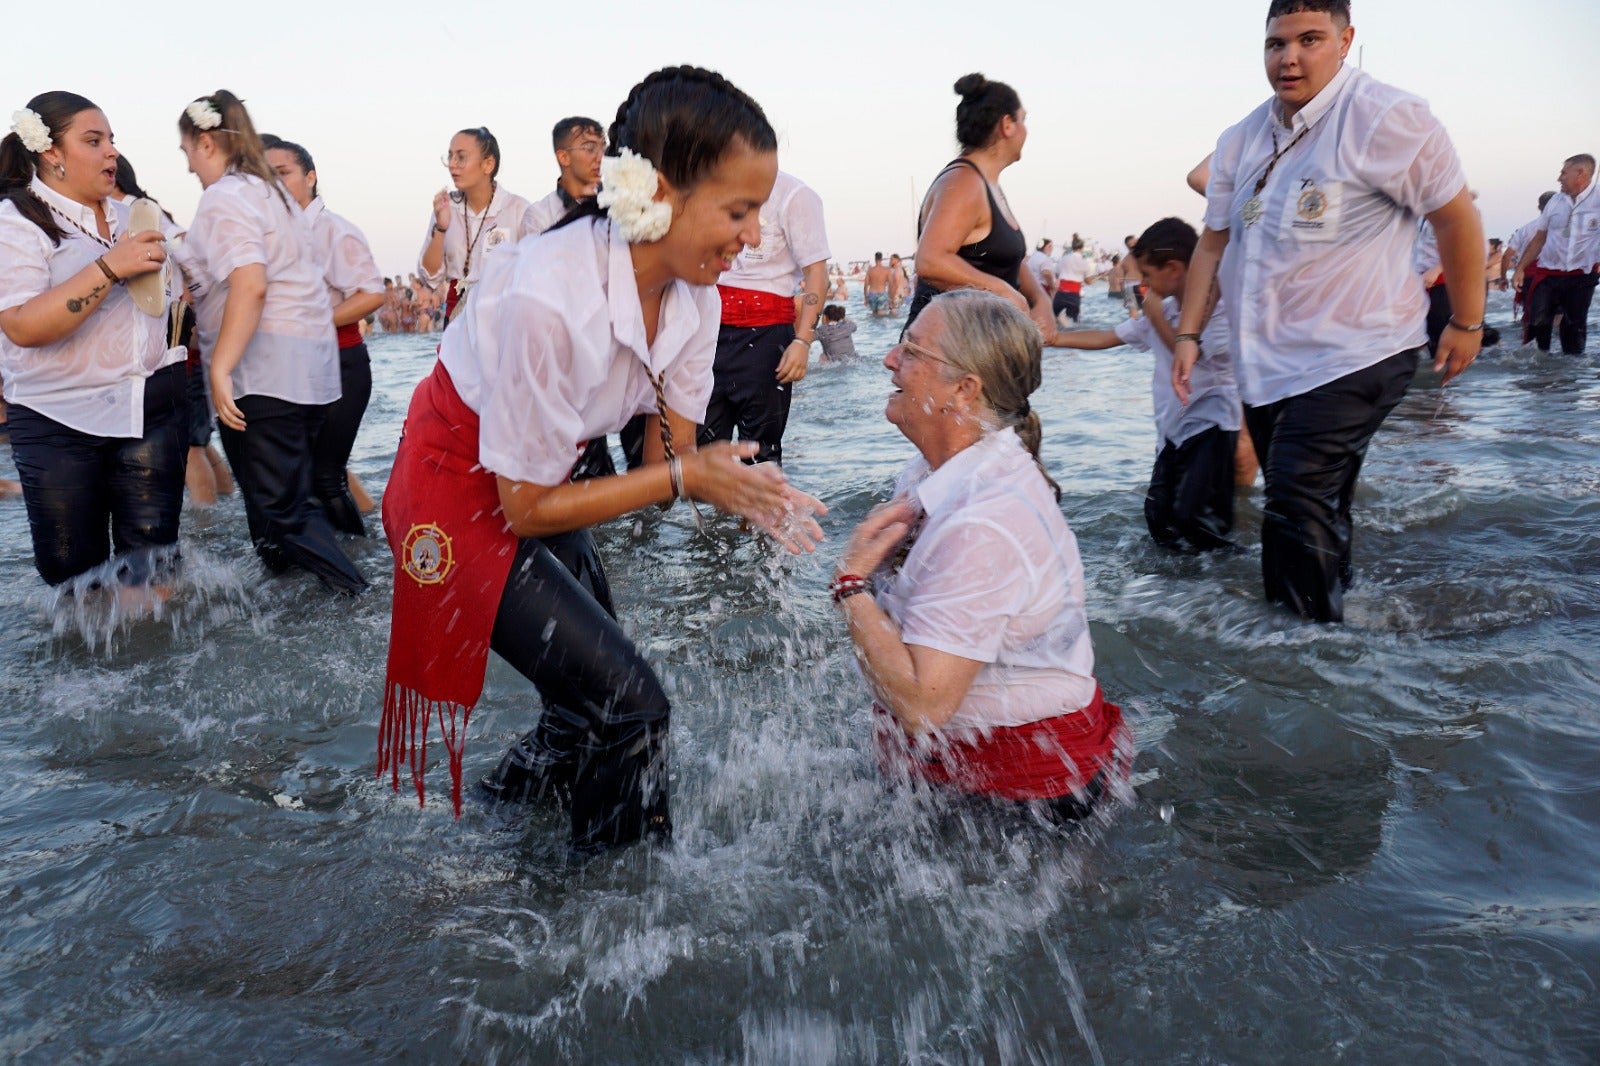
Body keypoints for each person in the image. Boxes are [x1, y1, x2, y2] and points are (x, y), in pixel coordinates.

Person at [377, 65, 827, 855]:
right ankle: (609, 904)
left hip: (544, 470)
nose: (755, 237)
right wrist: (687, 476)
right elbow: (526, 508)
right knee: (630, 703)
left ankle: (503, 833)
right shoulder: (549, 291)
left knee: (586, 698)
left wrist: (733, 483)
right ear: (658, 192)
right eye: (739, 211)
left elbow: (667, 463)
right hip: (453, 481)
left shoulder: (698, 299)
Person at [1173, 0, 1484, 623]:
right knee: (1315, 499)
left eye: (1309, 40)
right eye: (1276, 44)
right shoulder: (1242, 138)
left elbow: (1456, 218)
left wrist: (1467, 321)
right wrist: (1188, 334)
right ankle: (1344, 616)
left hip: (1359, 350)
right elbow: (1212, 243)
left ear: (1345, 40)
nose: (1289, 58)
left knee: (1293, 496)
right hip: (1268, 364)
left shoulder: (1386, 117)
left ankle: (1301, 649)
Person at [833, 290, 1128, 822]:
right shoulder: (945, 471)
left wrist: (850, 584)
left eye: (912, 350)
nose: (889, 359)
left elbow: (923, 705)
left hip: (1022, 797)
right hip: (981, 770)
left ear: (965, 389)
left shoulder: (983, 522)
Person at [175, 90, 367, 595]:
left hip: (263, 373)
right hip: (306, 373)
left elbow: (251, 283)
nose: (189, 166)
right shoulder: (272, 193)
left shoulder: (226, 196)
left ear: (207, 143)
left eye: (188, 151)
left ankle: (362, 600)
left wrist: (220, 368)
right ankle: (290, 608)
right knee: (276, 511)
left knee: (282, 512)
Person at [0, 92, 186, 588]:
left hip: (150, 408)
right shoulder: (16, 221)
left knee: (155, 567)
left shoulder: (135, 217)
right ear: (51, 152)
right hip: (58, 416)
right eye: (93, 140)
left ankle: (154, 642)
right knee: (75, 580)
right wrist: (109, 267)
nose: (112, 151)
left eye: (111, 139)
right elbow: (22, 326)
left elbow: (184, 291)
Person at [1053, 219, 1241, 552]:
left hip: (1211, 429)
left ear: (1174, 269)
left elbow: (1190, 357)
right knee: (1159, 517)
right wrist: (1054, 339)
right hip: (1171, 433)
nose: (1144, 285)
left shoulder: (1220, 310)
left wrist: (1153, 314)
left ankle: (1230, 577)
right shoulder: (1164, 309)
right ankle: (1175, 581)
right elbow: (1109, 336)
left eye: (1148, 276)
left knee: (1198, 522)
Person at [263, 135, 385, 536]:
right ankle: (330, 552)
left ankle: (360, 562)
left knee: (325, 476)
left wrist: (313, 320)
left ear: (310, 177)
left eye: (284, 173)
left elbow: (372, 294)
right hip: (292, 370)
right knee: (303, 474)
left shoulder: (333, 230)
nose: (276, 184)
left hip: (341, 365)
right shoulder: (273, 232)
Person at [111, 154, 236, 508]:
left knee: (189, 446)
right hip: (180, 343)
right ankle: (226, 505)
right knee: (198, 440)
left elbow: (184, 245)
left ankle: (205, 523)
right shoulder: (140, 209)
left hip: (173, 343)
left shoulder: (135, 210)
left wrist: (191, 298)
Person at [698, 169, 830, 466]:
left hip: (766, 337)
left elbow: (817, 274)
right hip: (705, 332)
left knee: (760, 454)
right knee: (701, 453)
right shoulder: (705, 183)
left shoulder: (795, 195)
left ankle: (762, 498)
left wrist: (803, 341)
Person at [907, 75, 1055, 338]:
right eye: (1023, 119)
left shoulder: (987, 184)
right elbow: (930, 260)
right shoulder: (964, 182)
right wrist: (1004, 293)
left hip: (977, 343)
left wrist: (1039, 299)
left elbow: (1003, 258)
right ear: (1007, 125)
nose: (1026, 130)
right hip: (943, 347)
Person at [418, 127, 536, 319]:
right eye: (450, 156)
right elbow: (430, 277)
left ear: (488, 164)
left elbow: (534, 272)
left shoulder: (517, 209)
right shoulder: (446, 208)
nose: (452, 164)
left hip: (502, 315)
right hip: (457, 314)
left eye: (461, 157)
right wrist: (440, 228)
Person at [1511, 154, 1599, 356]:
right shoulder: (1555, 202)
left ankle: (1572, 372)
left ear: (1580, 173)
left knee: (1573, 329)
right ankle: (1536, 369)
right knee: (1536, 324)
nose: (1559, 178)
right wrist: (1520, 268)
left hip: (1582, 276)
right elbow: (1538, 239)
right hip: (1548, 274)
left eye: (1564, 173)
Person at [526, 117, 606, 235]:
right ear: (564, 157)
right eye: (590, 148)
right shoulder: (540, 215)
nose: (601, 157)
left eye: (603, 147)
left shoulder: (616, 204)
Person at [1506, 191, 1557, 341]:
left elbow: (1507, 255)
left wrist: (1506, 276)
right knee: (1558, 314)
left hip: (1527, 274)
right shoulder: (1563, 227)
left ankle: (1527, 342)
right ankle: (1554, 345)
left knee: (1529, 311)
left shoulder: (1526, 228)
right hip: (1554, 274)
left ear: (1539, 207)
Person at [1053, 236, 1091, 325]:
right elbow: (1088, 281)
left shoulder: (1064, 258)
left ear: (1072, 247)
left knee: (1053, 318)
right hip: (1074, 295)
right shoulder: (1084, 261)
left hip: (1060, 293)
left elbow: (1057, 274)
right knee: (1073, 323)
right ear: (1082, 248)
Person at [863, 252, 890, 316]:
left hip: (872, 294)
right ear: (881, 259)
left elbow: (865, 285)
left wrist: (866, 298)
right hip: (882, 294)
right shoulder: (886, 270)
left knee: (874, 314)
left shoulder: (870, 271)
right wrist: (890, 297)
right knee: (881, 315)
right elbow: (891, 284)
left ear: (875, 259)